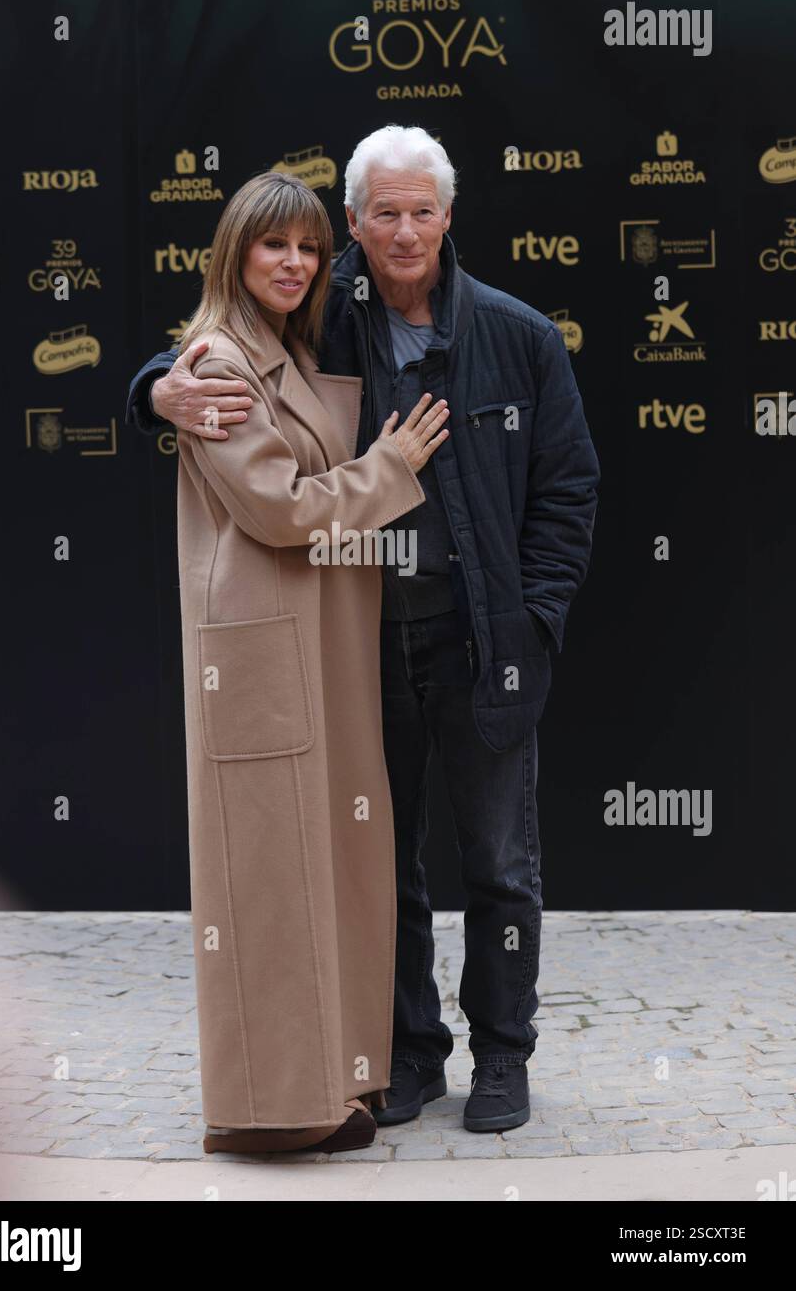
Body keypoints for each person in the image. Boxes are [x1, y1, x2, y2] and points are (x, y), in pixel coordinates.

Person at [126, 125, 600, 1135]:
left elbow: (567, 490)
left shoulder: (516, 335)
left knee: (499, 867)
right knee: (378, 864)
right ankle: (406, 1054)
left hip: (482, 645)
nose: (403, 230)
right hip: (360, 647)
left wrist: (537, 619)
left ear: (446, 216)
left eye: (420, 210)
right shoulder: (322, 323)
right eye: (381, 212)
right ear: (352, 223)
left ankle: (503, 1060)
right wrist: (154, 389)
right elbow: (223, 353)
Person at [157, 169, 449, 1154]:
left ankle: (331, 1079)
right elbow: (278, 508)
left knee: (323, 866)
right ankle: (264, 1108)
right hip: (261, 655)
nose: (293, 262)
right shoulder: (215, 360)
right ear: (235, 250)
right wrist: (390, 468)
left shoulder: (276, 347)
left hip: (313, 647)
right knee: (270, 880)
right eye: (273, 244)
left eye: (309, 248)